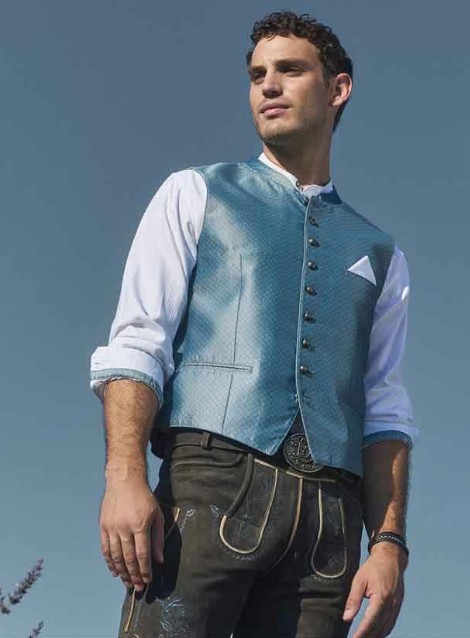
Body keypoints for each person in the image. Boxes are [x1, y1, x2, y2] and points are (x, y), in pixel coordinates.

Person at [90, 11, 418, 638]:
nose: (268, 85)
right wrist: (124, 478)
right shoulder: (194, 192)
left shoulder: (382, 253)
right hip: (207, 489)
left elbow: (383, 406)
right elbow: (138, 343)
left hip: (329, 524)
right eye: (257, 74)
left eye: (290, 70)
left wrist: (389, 544)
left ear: (338, 88)